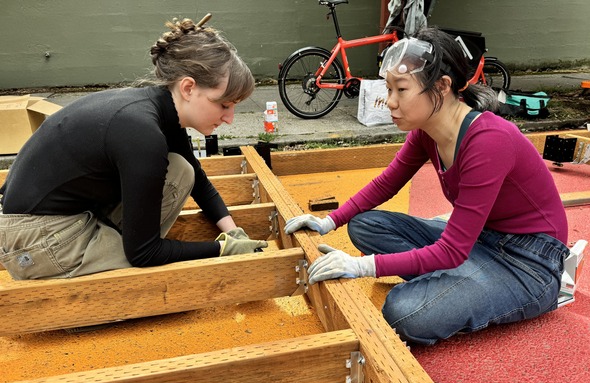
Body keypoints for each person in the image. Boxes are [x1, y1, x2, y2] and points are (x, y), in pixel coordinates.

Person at [284, 27, 569, 345]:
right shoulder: (426, 130)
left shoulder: (489, 141)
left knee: (404, 311)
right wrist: (329, 221)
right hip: (479, 242)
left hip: (528, 263)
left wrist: (362, 265)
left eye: (401, 90)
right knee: (365, 226)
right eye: (388, 89)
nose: (389, 102)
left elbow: (451, 250)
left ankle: (465, 285)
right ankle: (454, 280)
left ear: (442, 87)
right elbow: (386, 183)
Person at [0, 17, 267, 280]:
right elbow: (144, 252)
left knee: (182, 171)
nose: (230, 118)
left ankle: (103, 246)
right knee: (155, 274)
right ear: (188, 88)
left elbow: (198, 181)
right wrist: (222, 249)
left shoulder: (159, 108)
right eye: (224, 105)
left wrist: (233, 231)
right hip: (34, 239)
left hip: (64, 217)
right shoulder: (142, 134)